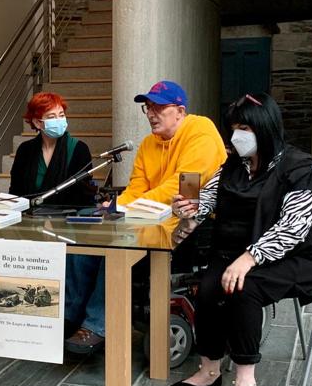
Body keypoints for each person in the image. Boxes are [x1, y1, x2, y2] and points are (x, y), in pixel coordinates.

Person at [165, 92, 312, 386]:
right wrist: (187, 211)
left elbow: (293, 228)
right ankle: (210, 369)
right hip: (238, 253)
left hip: (298, 258)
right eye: (233, 128)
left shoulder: (299, 169)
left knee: (243, 287)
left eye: (244, 128)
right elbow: (208, 197)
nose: (236, 136)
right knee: (209, 285)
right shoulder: (234, 165)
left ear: (265, 128)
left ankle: (245, 381)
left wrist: (249, 257)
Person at [64, 80, 226, 354]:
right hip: (147, 217)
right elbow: (136, 187)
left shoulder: (202, 135)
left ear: (180, 111)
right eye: (147, 107)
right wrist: (113, 207)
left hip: (190, 225)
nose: (151, 113)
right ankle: (72, 316)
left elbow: (181, 185)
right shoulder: (149, 144)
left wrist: (127, 209)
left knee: (116, 245)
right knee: (87, 225)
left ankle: (97, 325)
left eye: (158, 107)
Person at [9, 92, 95, 206]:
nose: (59, 120)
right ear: (37, 122)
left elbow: (84, 196)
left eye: (61, 115)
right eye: (52, 117)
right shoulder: (25, 150)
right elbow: (16, 192)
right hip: (31, 218)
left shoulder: (79, 149)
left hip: (67, 219)